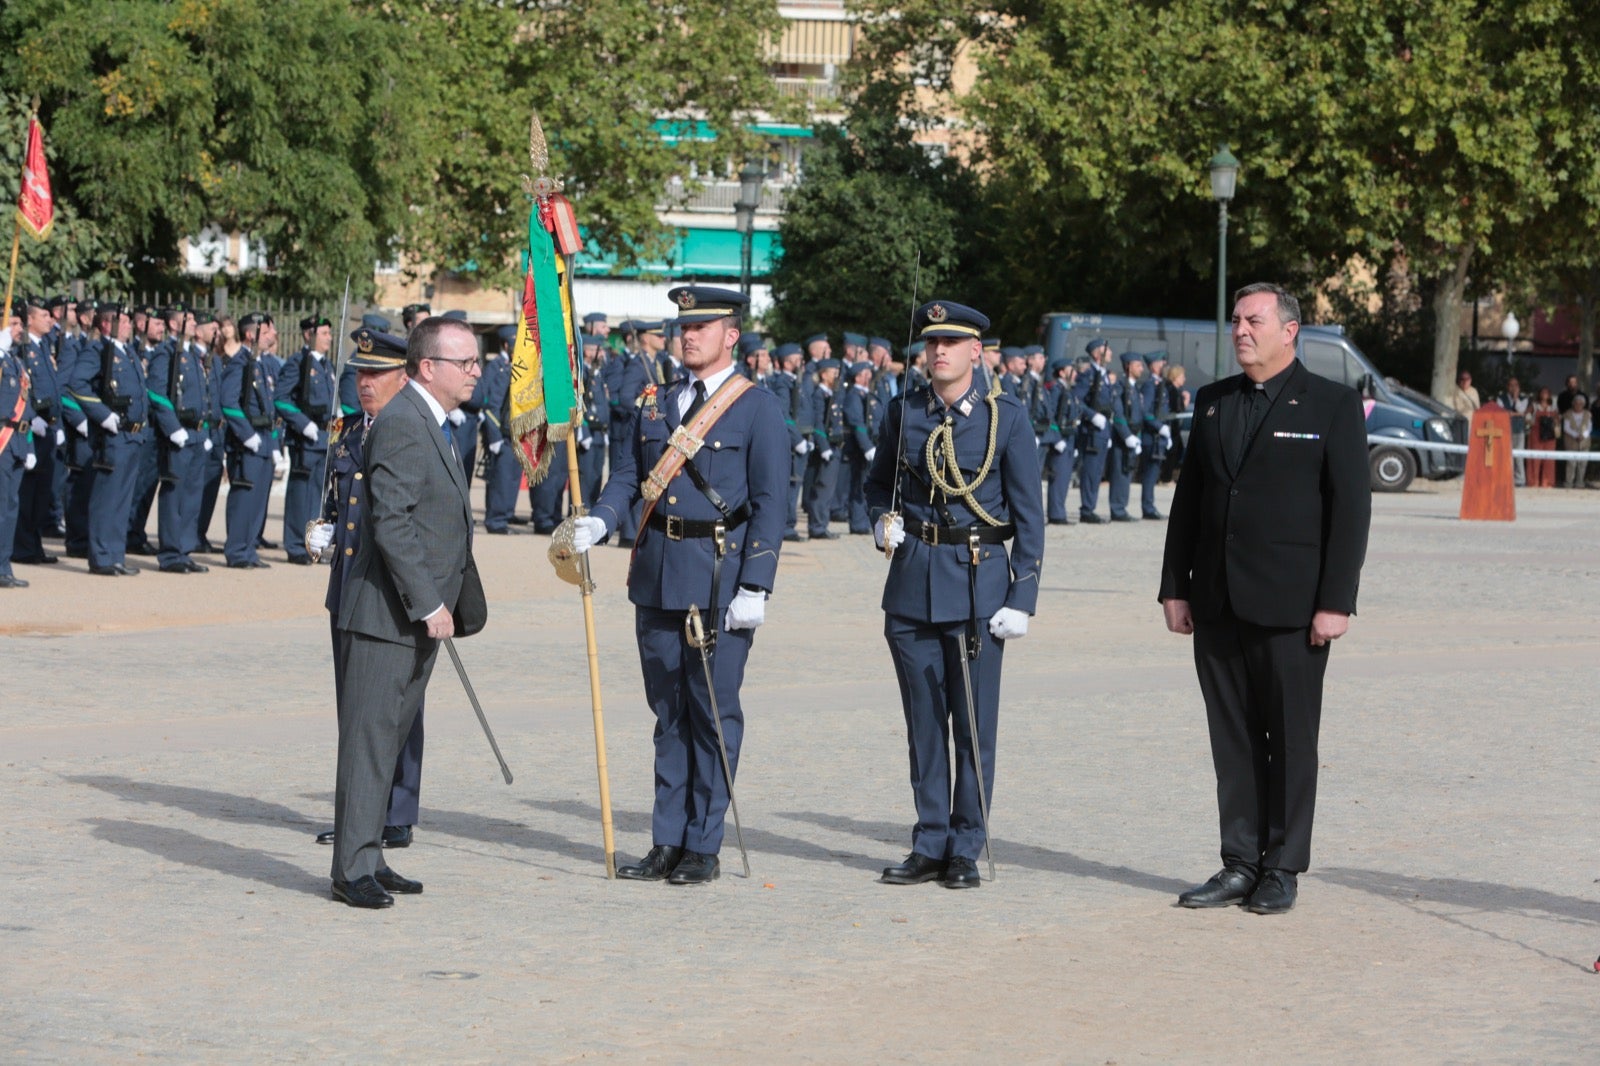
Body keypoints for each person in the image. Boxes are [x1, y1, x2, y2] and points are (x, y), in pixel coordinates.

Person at [1159, 283, 1370, 915]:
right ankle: (1238, 861)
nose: (1241, 330)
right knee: (1233, 740)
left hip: (1293, 609)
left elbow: (1350, 511)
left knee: (1292, 740)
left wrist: (1337, 601)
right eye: (1235, 320)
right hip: (1218, 601)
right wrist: (1175, 587)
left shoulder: (1331, 405)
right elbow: (1189, 502)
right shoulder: (1213, 402)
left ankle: (1282, 866)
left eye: (1253, 320)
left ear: (1290, 330)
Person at [568, 285, 788, 886]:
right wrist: (602, 519)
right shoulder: (654, 403)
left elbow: (771, 505)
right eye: (682, 327)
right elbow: (629, 477)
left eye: (702, 327)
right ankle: (666, 838)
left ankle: (702, 843)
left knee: (711, 714)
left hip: (719, 578)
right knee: (667, 714)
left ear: (731, 335)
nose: (688, 336)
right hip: (658, 572)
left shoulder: (757, 408)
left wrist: (757, 585)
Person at [865, 299, 1044, 890]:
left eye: (951, 343)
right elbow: (875, 485)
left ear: (976, 352)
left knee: (971, 725)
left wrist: (1023, 595)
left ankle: (966, 844)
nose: (938, 352)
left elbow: (1029, 515)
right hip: (913, 582)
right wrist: (879, 520)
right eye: (931, 342)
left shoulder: (1005, 419)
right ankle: (930, 839)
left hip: (977, 584)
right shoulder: (904, 412)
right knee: (922, 725)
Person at [330, 316, 485, 908]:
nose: (475, 371)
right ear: (429, 368)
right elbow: (392, 521)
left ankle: (369, 854)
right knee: (369, 740)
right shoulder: (402, 423)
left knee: (389, 739)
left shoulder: (433, 421)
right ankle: (351, 870)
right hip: (386, 614)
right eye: (464, 362)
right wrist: (430, 602)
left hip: (412, 617)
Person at [309, 328, 426, 852]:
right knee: (355, 710)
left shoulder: (419, 429)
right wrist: (327, 527)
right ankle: (359, 814)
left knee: (398, 709)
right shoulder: (348, 430)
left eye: (375, 374)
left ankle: (395, 811)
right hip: (349, 585)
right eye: (359, 373)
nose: (364, 384)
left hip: (395, 590)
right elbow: (342, 500)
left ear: (404, 376)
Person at [68, 302, 148, 577]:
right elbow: (77, 384)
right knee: (107, 498)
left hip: (133, 436)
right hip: (112, 436)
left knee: (122, 499)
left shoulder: (127, 352)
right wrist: (103, 415)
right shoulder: (98, 349)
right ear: (106, 324)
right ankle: (101, 557)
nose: (129, 324)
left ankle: (115, 555)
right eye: (123, 320)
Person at [146, 305, 212, 574]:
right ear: (174, 325)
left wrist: (205, 431)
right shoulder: (167, 353)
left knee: (192, 495)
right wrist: (172, 427)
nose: (196, 323)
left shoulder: (192, 354)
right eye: (191, 320)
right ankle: (171, 553)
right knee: (174, 495)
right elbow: (156, 392)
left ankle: (184, 550)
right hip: (179, 433)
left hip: (197, 433)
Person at [275, 314, 337, 564]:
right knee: (301, 495)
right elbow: (280, 398)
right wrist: (304, 424)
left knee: (318, 496)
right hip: (306, 439)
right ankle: (296, 545)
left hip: (324, 437)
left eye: (329, 334)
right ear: (308, 335)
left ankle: (313, 547)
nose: (329, 338)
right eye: (324, 334)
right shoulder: (298, 363)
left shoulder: (326, 365)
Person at [220, 313, 279, 568]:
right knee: (244, 498)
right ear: (249, 334)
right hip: (247, 444)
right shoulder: (240, 363)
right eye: (265, 332)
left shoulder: (260, 363)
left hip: (264, 440)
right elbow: (228, 402)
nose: (271, 336)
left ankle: (248, 549)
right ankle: (237, 551)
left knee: (257, 501)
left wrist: (274, 444)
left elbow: (269, 410)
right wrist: (247, 435)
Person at [13, 296, 62, 566]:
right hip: (32, 428)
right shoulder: (22, 348)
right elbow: (23, 388)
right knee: (28, 492)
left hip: (49, 427)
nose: (50, 319)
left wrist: (60, 423)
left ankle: (34, 545)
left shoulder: (44, 346)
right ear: (29, 319)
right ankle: (22, 547)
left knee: (42, 492)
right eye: (44, 315)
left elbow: (54, 388)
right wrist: (31, 420)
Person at [0, 300, 38, 588]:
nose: (19, 329)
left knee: (10, 508)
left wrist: (30, 447)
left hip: (16, 442)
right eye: (12, 323)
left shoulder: (16, 360)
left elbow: (24, 409)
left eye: (20, 324)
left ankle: (4, 565)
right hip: (1, 441)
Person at [1074, 338, 1115, 522]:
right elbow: (1077, 400)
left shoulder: (1104, 374)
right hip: (1092, 431)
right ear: (1098, 354)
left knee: (1097, 471)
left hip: (1103, 430)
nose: (1110, 353)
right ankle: (1087, 509)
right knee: (1090, 471)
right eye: (1107, 350)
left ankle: (1091, 506)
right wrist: (1092, 416)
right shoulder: (1088, 375)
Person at [1497, 377, 1529, 487]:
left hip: (1519, 431)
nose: (1513, 387)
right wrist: (1518, 414)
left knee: (1519, 456)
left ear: (1519, 387)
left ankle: (1520, 480)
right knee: (1505, 456)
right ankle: (1506, 479)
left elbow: (1521, 410)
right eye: (1511, 385)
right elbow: (1501, 413)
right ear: (1507, 387)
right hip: (1505, 431)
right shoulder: (1501, 398)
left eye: (1515, 385)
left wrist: (1516, 398)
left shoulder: (1523, 398)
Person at [1526, 386, 1558, 488]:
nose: (1544, 394)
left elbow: (1558, 420)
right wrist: (1531, 421)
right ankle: (1533, 482)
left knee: (1549, 459)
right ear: (1539, 394)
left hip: (1550, 435)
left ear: (1549, 395)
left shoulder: (1553, 407)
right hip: (1536, 434)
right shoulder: (1534, 406)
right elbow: (1526, 416)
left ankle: (1547, 482)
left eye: (1546, 392)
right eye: (1542, 392)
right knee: (1535, 458)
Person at [1561, 393, 1591, 488]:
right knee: (1571, 463)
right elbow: (1566, 428)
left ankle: (1579, 483)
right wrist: (1575, 435)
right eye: (1576, 403)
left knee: (1582, 464)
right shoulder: (1567, 413)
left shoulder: (1588, 414)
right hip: (1571, 442)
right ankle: (1569, 482)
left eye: (1580, 404)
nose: (1578, 405)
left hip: (1584, 442)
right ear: (1573, 404)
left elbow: (1589, 427)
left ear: (1583, 404)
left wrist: (1583, 435)